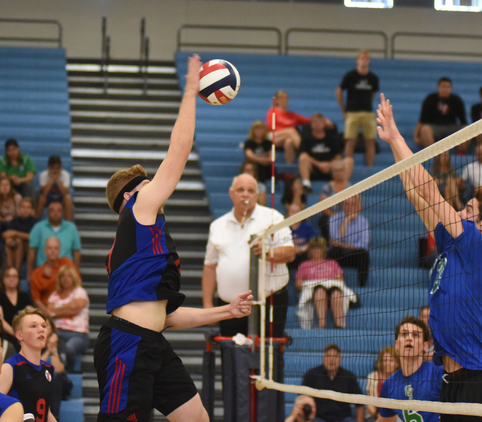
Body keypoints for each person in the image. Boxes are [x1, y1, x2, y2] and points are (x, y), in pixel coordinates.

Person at [95, 55, 253, 422]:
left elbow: (164, 317)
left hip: (150, 341)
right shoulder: (138, 210)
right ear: (132, 196)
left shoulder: (145, 237)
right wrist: (189, 91)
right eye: (150, 183)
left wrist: (225, 311)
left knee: (197, 418)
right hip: (126, 344)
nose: (158, 187)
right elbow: (179, 153)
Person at [376, 93, 482, 421]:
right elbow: (415, 194)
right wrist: (393, 144)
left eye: (468, 208)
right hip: (451, 380)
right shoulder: (453, 245)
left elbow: (429, 189)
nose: (461, 209)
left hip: (479, 380)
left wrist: (398, 135)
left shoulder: (480, 251)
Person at [202, 173, 293, 338]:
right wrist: (208, 305)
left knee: (268, 358)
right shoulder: (218, 226)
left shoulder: (273, 218)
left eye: (250, 190)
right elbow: (210, 267)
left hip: (269, 302)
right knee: (232, 357)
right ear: (231, 193)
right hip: (229, 306)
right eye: (240, 190)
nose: (245, 194)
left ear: (257, 195)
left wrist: (268, 253)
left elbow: (289, 253)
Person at [377, 316, 443, 422]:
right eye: (404, 334)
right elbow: (384, 420)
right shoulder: (389, 385)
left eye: (416, 335)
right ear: (396, 344)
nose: (409, 338)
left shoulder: (438, 373)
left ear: (425, 346)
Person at [0, 307, 56, 422]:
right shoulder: (10, 367)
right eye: (33, 326)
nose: (41, 330)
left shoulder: (48, 368)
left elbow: (47, 412)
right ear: (19, 335)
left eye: (43, 326)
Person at [336, 50, 379, 167]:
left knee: (370, 141)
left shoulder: (373, 78)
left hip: (368, 112)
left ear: (369, 61)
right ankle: (347, 164)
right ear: (357, 60)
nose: (363, 61)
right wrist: (343, 109)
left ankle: (370, 167)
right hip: (352, 112)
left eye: (366, 58)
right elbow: (339, 90)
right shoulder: (350, 76)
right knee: (350, 140)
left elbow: (373, 94)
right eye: (361, 58)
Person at [301, 344, 364, 422]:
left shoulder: (349, 377)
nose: (331, 359)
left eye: (335, 356)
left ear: (340, 359)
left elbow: (360, 405)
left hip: (343, 419)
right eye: (328, 356)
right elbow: (302, 401)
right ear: (323, 358)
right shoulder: (311, 375)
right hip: (319, 419)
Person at [295, 237, 349, 329]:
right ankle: (321, 323)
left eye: (319, 248)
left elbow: (340, 281)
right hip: (314, 293)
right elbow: (298, 284)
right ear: (309, 250)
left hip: (332, 290)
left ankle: (339, 325)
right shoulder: (304, 265)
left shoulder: (332, 263)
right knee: (320, 290)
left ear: (323, 250)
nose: (316, 251)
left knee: (336, 292)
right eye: (314, 248)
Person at [47, 265, 89, 373]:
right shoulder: (54, 295)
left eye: (69, 276)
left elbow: (76, 310)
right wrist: (68, 306)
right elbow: (49, 312)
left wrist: (57, 310)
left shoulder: (80, 292)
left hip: (78, 333)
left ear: (73, 278)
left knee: (68, 349)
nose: (65, 279)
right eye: (63, 276)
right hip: (57, 332)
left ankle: (67, 373)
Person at [298, 113, 353, 195]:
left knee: (349, 160)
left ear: (324, 123)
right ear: (311, 124)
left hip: (331, 168)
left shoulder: (331, 135)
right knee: (303, 158)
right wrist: (319, 164)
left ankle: (344, 186)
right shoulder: (307, 136)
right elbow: (302, 153)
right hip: (314, 168)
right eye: (315, 122)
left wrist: (330, 164)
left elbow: (338, 155)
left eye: (319, 122)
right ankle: (306, 185)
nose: (317, 124)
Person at [26, 201, 81, 282]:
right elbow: (31, 252)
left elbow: (76, 254)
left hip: (65, 274)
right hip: (43, 274)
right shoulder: (38, 227)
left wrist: (75, 273)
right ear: (47, 213)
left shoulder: (72, 228)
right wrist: (29, 274)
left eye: (59, 210)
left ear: (63, 213)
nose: (55, 213)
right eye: (52, 210)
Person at [327, 194, 370, 287]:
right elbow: (336, 240)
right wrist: (346, 221)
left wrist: (343, 245)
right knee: (334, 251)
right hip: (340, 255)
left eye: (352, 204)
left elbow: (363, 244)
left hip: (353, 256)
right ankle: (334, 284)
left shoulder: (363, 221)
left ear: (356, 206)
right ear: (343, 205)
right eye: (347, 204)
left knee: (364, 254)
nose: (350, 207)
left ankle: (362, 286)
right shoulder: (334, 219)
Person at [414, 77, 467, 150]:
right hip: (435, 127)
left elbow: (463, 121)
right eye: (443, 86)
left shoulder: (457, 100)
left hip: (451, 127)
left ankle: (461, 155)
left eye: (447, 87)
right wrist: (416, 136)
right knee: (425, 129)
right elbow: (422, 120)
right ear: (438, 87)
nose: (445, 89)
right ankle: (432, 154)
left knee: (465, 129)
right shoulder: (430, 99)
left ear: (451, 88)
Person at [29, 237, 76, 315]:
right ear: (45, 250)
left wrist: (63, 310)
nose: (53, 251)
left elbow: (77, 283)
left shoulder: (66, 263)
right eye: (50, 248)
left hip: (68, 309)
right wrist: (49, 315)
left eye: (56, 248)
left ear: (59, 250)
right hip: (46, 313)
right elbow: (36, 300)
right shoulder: (36, 274)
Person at [266, 90, 311, 164]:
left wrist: (324, 120)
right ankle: (304, 151)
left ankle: (289, 166)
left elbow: (307, 120)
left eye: (285, 98)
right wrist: (287, 130)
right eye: (281, 98)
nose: (283, 100)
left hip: (286, 137)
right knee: (291, 131)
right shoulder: (272, 111)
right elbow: (271, 126)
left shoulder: (291, 115)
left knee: (289, 142)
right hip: (273, 136)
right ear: (276, 100)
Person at [0, 267, 33, 351]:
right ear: (3, 279)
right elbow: (1, 320)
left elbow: (31, 315)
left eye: (14, 276)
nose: (11, 279)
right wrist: (16, 334)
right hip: (5, 334)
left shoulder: (24, 296)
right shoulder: (0, 296)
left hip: (23, 333)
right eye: (8, 276)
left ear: (18, 279)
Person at [318, 160, 352, 242]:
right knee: (323, 220)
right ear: (332, 173)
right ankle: (329, 245)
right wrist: (335, 218)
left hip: (348, 216)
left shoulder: (351, 187)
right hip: (331, 216)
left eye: (340, 170)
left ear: (344, 171)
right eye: (336, 171)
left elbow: (358, 205)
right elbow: (323, 207)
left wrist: (348, 217)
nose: (338, 173)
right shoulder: (327, 188)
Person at [41, 316, 67, 421]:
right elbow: (34, 366)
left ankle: (55, 417)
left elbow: (59, 369)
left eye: (44, 326)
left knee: (54, 375)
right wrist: (48, 350)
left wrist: (54, 348)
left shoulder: (60, 344)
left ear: (52, 328)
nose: (41, 329)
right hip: (40, 381)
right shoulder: (33, 344)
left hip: (60, 383)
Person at [366, 347, 400, 421]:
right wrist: (378, 416)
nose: (387, 363)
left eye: (391, 360)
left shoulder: (400, 379)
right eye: (385, 360)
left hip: (395, 416)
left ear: (397, 363)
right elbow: (370, 404)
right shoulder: (373, 376)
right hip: (375, 415)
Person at [3, 198, 37, 271]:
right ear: (19, 208)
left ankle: (16, 271)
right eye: (23, 207)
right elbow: (6, 234)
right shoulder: (15, 220)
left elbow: (33, 237)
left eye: (28, 207)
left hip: (30, 248)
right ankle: (9, 269)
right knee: (9, 243)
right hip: (15, 246)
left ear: (32, 210)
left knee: (19, 241)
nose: (25, 210)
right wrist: (9, 239)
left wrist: (16, 233)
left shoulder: (35, 221)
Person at [36, 155, 73, 221]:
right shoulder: (43, 175)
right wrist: (52, 180)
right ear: (48, 168)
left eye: (57, 168)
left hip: (60, 197)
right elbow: (44, 193)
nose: (55, 170)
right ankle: (35, 222)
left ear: (61, 168)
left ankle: (69, 224)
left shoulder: (66, 175)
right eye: (52, 168)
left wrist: (58, 180)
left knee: (68, 199)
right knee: (41, 199)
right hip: (48, 197)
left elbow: (65, 193)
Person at [288, 204, 318, 270]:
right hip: (289, 254)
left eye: (297, 212)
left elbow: (314, 242)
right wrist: (292, 249)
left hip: (303, 254)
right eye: (292, 212)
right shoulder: (284, 228)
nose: (295, 214)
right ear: (288, 213)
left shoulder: (308, 227)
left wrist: (302, 248)